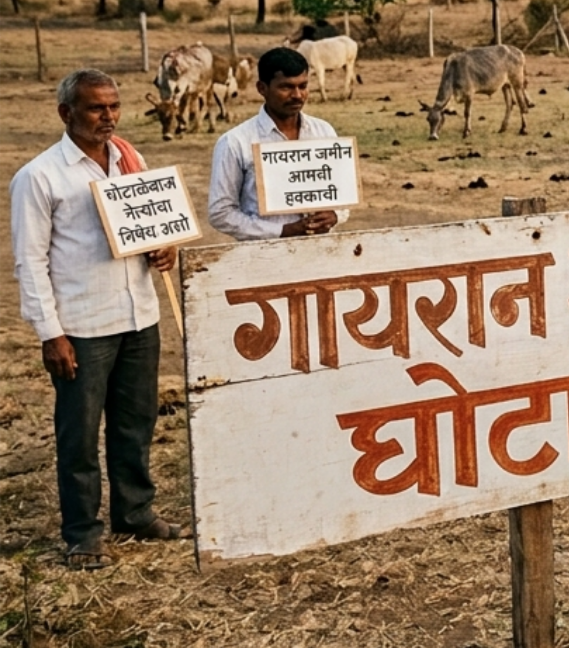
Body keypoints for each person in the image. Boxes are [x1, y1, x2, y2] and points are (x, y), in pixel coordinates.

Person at [9, 70, 191, 569]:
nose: (108, 116)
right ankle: (83, 534)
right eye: (95, 108)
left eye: (113, 106)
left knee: (136, 424)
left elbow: (151, 230)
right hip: (82, 328)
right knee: (80, 434)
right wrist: (51, 334)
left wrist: (163, 250)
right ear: (66, 113)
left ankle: (134, 513)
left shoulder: (131, 162)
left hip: (138, 316)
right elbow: (30, 261)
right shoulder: (40, 176)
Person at [209, 47, 347, 240]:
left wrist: (335, 215)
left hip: (322, 253)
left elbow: (343, 194)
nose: (297, 95)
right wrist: (281, 231)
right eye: (286, 87)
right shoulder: (235, 142)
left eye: (303, 86)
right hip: (265, 259)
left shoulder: (324, 132)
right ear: (262, 88)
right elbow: (221, 213)